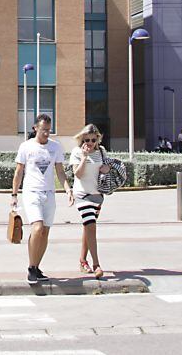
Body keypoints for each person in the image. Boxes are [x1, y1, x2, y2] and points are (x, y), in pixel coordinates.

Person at [11, 114, 73, 285]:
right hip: (32, 193)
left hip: (49, 194)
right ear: (35, 128)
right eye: (43, 130)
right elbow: (19, 172)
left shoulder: (55, 147)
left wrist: (67, 189)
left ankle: (37, 267)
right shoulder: (26, 147)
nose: (46, 133)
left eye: (48, 130)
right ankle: (31, 267)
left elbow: (60, 171)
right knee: (37, 229)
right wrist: (14, 195)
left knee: (45, 232)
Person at [67, 124, 111, 278]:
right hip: (82, 195)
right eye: (87, 140)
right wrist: (84, 157)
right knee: (91, 227)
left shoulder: (102, 151)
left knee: (88, 228)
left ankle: (82, 260)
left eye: (93, 139)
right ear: (82, 139)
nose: (90, 142)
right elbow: (77, 174)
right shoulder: (77, 152)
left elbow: (107, 168)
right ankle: (96, 264)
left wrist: (107, 169)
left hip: (97, 196)